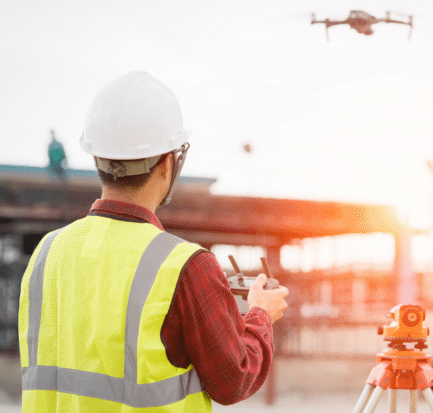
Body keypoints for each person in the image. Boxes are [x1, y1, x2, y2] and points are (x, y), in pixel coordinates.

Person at [18, 71, 289, 411]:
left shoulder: (46, 253)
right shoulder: (185, 266)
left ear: (96, 157)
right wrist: (260, 313)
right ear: (167, 163)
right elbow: (233, 379)